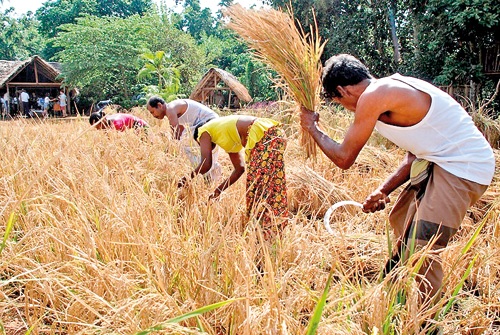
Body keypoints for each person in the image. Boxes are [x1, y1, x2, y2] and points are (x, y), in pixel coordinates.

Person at [300, 54, 495, 313]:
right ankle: (398, 285)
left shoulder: (375, 96)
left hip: (464, 167)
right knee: (400, 218)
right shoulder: (386, 91)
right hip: (439, 162)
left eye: (338, 101)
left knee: (424, 244)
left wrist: (312, 128)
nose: (345, 107)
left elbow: (344, 158)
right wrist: (383, 190)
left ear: (342, 90)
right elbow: (414, 153)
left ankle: (427, 320)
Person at [179, 115, 289, 239]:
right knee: (272, 185)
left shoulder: (203, 131)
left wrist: (184, 180)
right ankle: (274, 228)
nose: (202, 147)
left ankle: (263, 232)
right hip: (275, 133)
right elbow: (239, 169)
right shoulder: (224, 134)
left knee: (256, 188)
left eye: (200, 145)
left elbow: (206, 164)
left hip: (265, 136)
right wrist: (217, 192)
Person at [147, 96, 222, 183]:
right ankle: (212, 170)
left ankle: (208, 173)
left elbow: (176, 135)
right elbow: (181, 133)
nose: (153, 116)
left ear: (159, 105)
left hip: (208, 122)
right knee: (190, 148)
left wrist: (167, 153)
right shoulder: (174, 109)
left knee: (187, 149)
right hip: (207, 123)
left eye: (153, 112)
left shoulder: (170, 109)